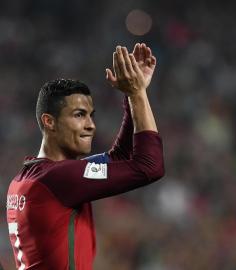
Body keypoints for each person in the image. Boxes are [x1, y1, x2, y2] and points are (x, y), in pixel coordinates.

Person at [6, 43, 165, 270]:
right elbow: (150, 166)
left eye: (91, 115)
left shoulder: (26, 179)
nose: (91, 125)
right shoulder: (59, 178)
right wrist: (137, 93)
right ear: (49, 121)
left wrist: (133, 95)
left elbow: (119, 157)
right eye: (79, 115)